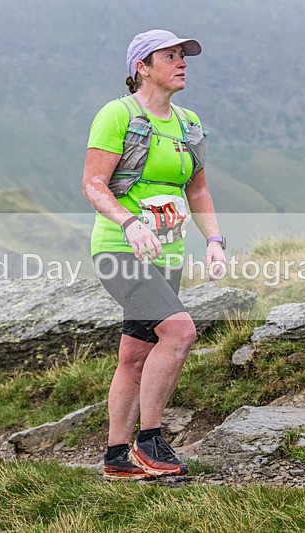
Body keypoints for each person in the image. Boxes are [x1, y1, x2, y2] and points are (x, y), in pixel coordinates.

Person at [82, 29, 226, 480]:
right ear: (141, 67)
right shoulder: (117, 114)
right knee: (180, 333)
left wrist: (215, 241)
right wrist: (129, 222)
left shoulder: (188, 123)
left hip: (169, 251)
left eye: (183, 56)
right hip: (120, 249)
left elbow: (197, 189)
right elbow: (93, 185)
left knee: (134, 355)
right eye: (170, 55)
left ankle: (116, 457)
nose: (182, 62)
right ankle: (150, 440)